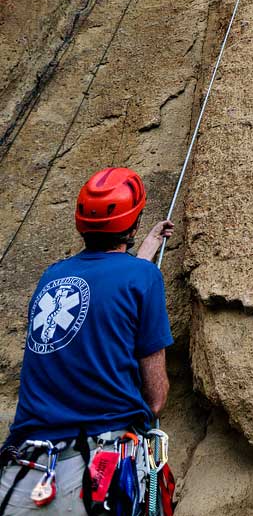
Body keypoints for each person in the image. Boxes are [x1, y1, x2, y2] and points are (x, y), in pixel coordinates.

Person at [0, 167, 174, 514]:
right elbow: (155, 400)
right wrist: (144, 265)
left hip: (22, 472)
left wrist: (144, 254)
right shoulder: (143, 278)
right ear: (134, 223)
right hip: (96, 472)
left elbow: (101, 295)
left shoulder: (52, 277)